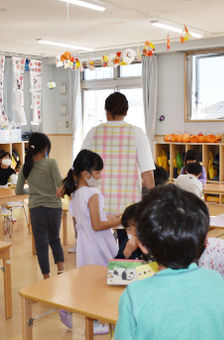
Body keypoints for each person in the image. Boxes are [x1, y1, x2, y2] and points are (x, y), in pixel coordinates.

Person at [114, 185, 224, 340]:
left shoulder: (134, 296)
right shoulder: (218, 282)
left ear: (143, 244)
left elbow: (117, 274)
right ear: (204, 242)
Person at [81, 92, 155, 246]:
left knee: (99, 249)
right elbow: (147, 170)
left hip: (98, 204)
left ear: (106, 110)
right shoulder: (136, 133)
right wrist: (153, 199)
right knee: (126, 246)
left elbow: (81, 166)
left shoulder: (94, 132)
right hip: (127, 206)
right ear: (126, 112)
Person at [60, 149, 121, 334]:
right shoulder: (92, 193)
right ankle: (97, 320)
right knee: (106, 280)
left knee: (89, 282)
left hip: (86, 245)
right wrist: (120, 221)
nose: (100, 176)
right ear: (87, 174)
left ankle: (76, 310)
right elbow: (97, 224)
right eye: (98, 172)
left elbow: (89, 219)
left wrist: (113, 216)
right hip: (99, 244)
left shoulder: (76, 193)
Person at [15, 133, 64, 280]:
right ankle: (61, 271)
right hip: (54, 207)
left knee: (41, 244)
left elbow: (18, 191)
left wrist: (32, 190)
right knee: (54, 239)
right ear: (45, 148)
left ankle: (46, 278)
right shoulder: (51, 163)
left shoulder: (25, 166)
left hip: (36, 209)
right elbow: (60, 184)